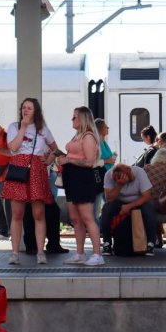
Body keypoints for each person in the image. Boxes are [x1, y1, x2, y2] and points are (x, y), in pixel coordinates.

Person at [0, 97, 58, 265]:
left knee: (38, 214)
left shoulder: (43, 129)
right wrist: (23, 127)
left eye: (29, 108)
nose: (25, 110)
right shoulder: (14, 126)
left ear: (36, 111)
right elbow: (13, 147)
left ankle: (40, 251)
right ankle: (14, 253)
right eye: (24, 107)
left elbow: (56, 149)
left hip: (37, 170)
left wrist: (49, 160)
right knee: (17, 214)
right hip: (18, 168)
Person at [55, 106, 104, 266]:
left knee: (87, 217)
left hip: (83, 179)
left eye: (75, 117)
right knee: (75, 219)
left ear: (82, 118)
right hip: (71, 179)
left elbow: (89, 162)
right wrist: (62, 159)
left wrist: (68, 160)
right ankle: (80, 253)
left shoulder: (88, 136)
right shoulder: (77, 135)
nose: (72, 119)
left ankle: (97, 254)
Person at [99, 163, 156, 255]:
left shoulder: (139, 172)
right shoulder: (108, 175)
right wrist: (119, 185)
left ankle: (151, 243)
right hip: (119, 201)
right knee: (107, 208)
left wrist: (129, 206)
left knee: (148, 208)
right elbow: (109, 198)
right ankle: (107, 243)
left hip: (139, 200)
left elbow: (146, 196)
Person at [144, 149, 166, 247]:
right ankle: (158, 239)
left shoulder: (147, 168)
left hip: (148, 202)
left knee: (151, 207)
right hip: (165, 204)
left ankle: (156, 239)